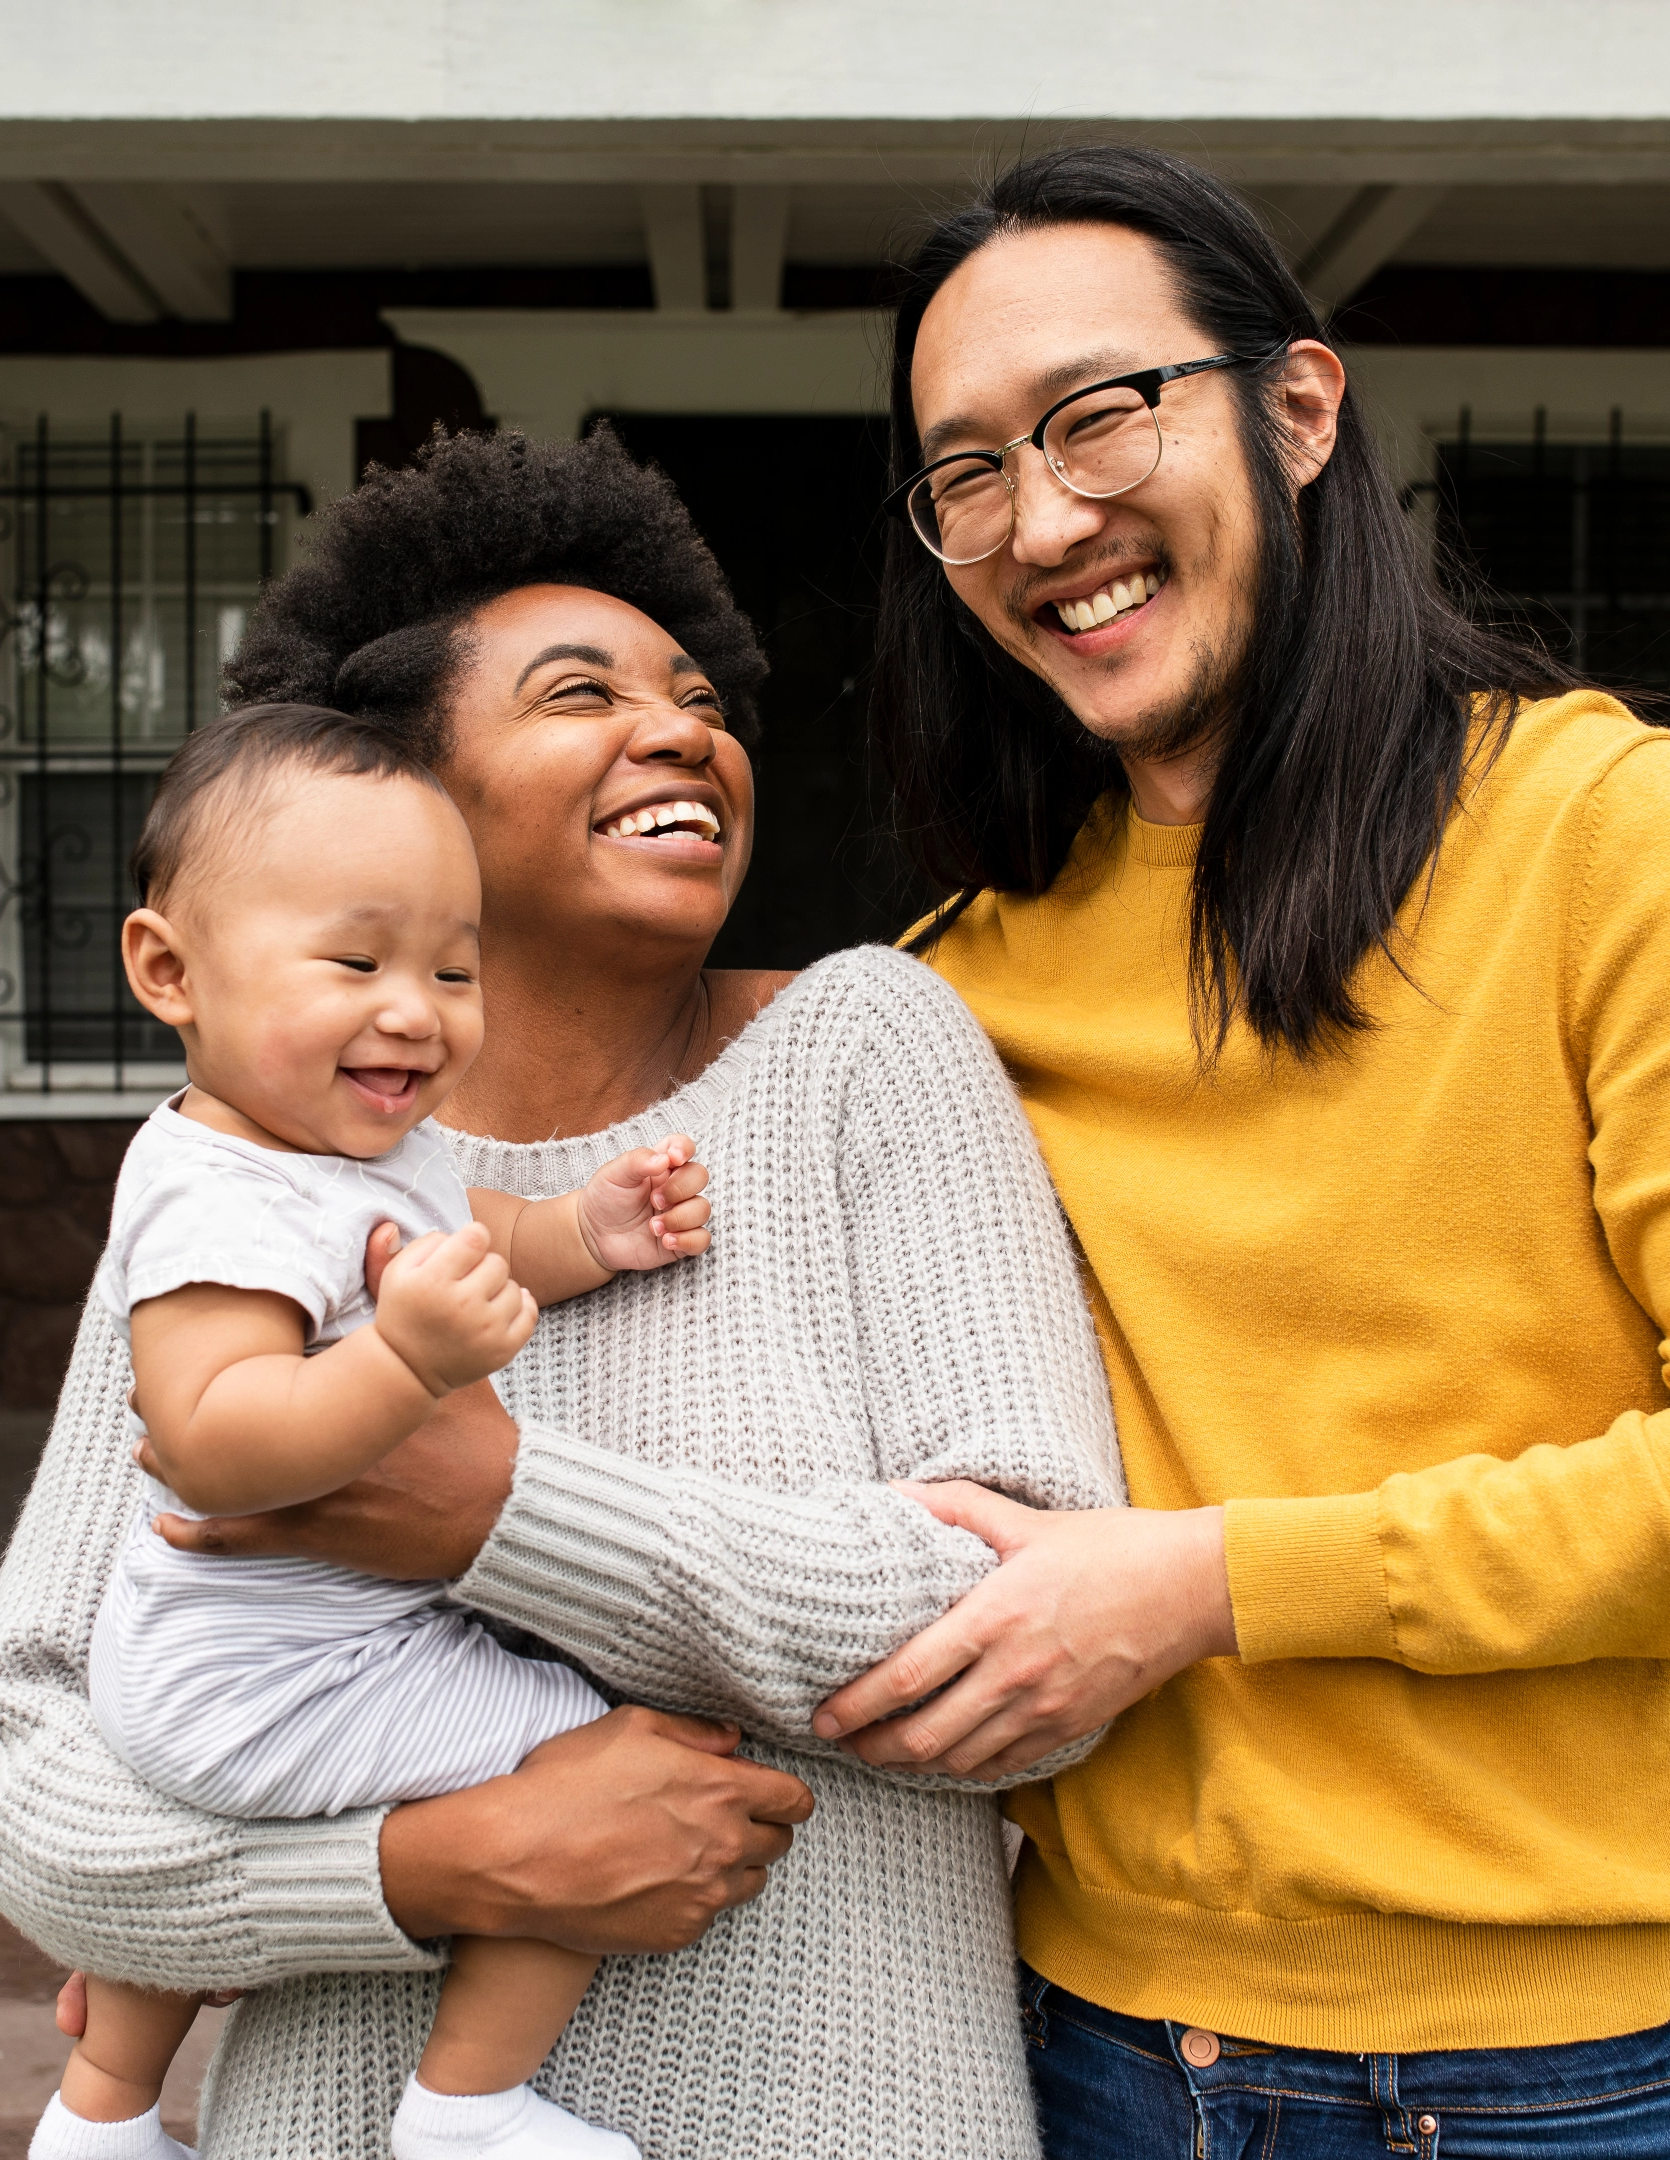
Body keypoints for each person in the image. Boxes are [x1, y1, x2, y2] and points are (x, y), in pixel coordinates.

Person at [0, 424, 1122, 2160]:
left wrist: (490, 1513)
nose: (682, 731)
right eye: (578, 694)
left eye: (696, 697)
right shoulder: (251, 1173)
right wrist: (431, 1867)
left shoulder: (862, 1052)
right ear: (398, 799)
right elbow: (43, 1770)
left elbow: (1024, 1649)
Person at [808, 144, 1670, 2155]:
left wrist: (1207, 1586)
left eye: (1101, 413)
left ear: (1297, 408)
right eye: (967, 471)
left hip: (1572, 2071)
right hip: (1086, 2046)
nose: (1045, 517)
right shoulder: (954, 989)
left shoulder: (1594, 834)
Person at [43, 704, 717, 2160]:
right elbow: (210, 1445)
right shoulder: (208, 1194)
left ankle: (97, 2125)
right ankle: (467, 2110)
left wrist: (581, 1231)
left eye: (452, 968)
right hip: (268, 1668)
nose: (415, 1009)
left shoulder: (350, 1154)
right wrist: (407, 1362)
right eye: (356, 962)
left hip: (248, 1658)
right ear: (170, 971)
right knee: (586, 1764)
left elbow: (468, 1232)